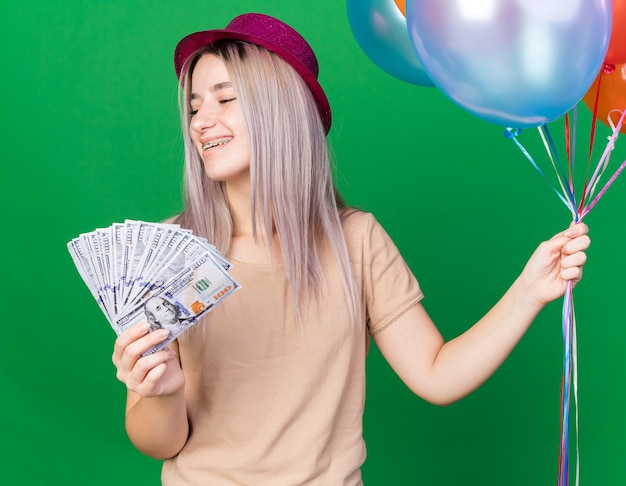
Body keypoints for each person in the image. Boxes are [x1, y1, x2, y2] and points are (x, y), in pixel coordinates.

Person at [112, 13, 591, 485]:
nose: (201, 122)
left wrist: (529, 291)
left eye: (226, 98)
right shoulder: (167, 251)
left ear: (281, 110)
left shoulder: (355, 241)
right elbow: (159, 442)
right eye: (194, 107)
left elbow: (436, 375)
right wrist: (159, 391)